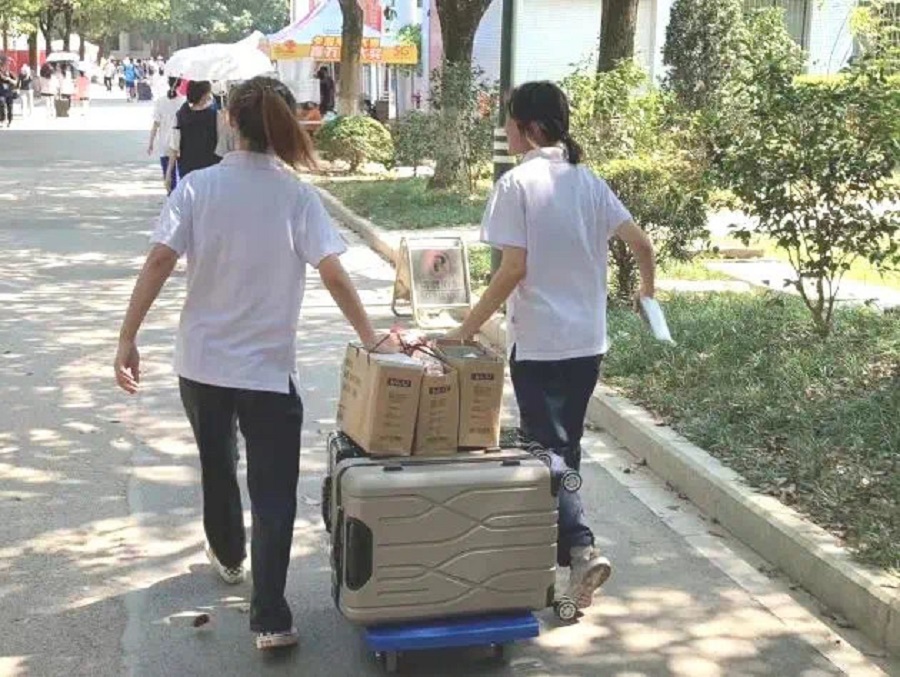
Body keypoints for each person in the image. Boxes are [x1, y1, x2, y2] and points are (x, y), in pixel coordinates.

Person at [114, 75, 392, 651]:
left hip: (202, 365)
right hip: (268, 372)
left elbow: (160, 260)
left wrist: (128, 337)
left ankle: (228, 553)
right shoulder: (296, 196)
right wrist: (372, 338)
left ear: (230, 121)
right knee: (273, 492)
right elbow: (334, 272)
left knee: (217, 463)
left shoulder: (197, 188)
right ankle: (270, 616)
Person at [447, 81, 658, 611]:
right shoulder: (589, 181)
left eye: (510, 119)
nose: (505, 128)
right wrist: (646, 294)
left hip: (541, 342)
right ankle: (569, 565)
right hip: (588, 341)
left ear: (531, 127)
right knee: (566, 446)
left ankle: (581, 548)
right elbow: (642, 244)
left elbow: (512, 269)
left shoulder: (516, 184)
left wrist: (466, 329)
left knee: (547, 452)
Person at [164, 80, 220, 192]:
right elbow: (222, 144)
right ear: (204, 96)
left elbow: (174, 147)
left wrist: (169, 172)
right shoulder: (215, 116)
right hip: (211, 168)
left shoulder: (180, 115)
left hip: (187, 169)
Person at [148, 77, 186, 194]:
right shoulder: (184, 102)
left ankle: (171, 199)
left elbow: (155, 124)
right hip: (181, 144)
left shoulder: (160, 102)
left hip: (165, 145)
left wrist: (151, 143)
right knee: (183, 177)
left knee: (168, 177)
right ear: (180, 84)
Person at [0, 59, 16, 127]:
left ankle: (10, 120)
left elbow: (15, 82)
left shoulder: (10, 73)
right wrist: (5, 78)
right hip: (1, 93)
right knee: (2, 106)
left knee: (10, 107)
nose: (6, 67)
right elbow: (2, 78)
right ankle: (2, 120)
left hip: (9, 93)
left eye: (7, 66)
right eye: (3, 66)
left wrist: (9, 79)